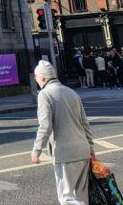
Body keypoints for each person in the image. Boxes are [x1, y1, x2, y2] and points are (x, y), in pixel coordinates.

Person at [31, 60, 96, 205]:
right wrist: (91, 149)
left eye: (36, 77)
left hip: (65, 153)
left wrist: (36, 150)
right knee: (82, 197)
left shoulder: (44, 95)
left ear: (43, 78)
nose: (36, 80)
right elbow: (85, 124)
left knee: (67, 199)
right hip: (83, 150)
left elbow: (45, 126)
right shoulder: (72, 92)